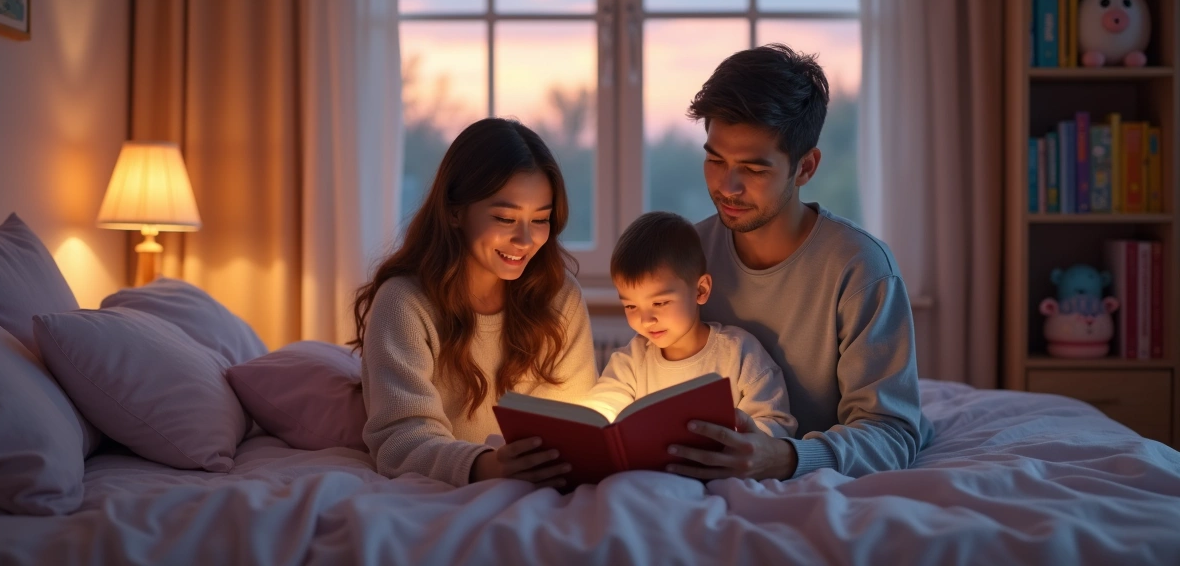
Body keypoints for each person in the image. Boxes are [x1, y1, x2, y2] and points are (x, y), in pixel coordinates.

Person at [666, 43, 933, 481]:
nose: (727, 186)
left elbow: (893, 433)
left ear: (805, 167)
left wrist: (783, 457)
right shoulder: (687, 253)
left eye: (753, 170)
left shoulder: (862, 268)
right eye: (715, 160)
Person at [351, 118, 598, 489]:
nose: (525, 239)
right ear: (455, 211)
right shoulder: (404, 303)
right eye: (504, 218)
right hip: (453, 491)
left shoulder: (560, 297)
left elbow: (573, 420)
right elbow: (399, 438)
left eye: (541, 220)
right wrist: (487, 466)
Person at [581, 211, 797, 440]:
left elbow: (775, 422)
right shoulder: (631, 362)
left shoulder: (739, 353)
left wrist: (743, 444)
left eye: (660, 302)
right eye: (631, 306)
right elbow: (602, 407)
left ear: (701, 290)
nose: (645, 320)